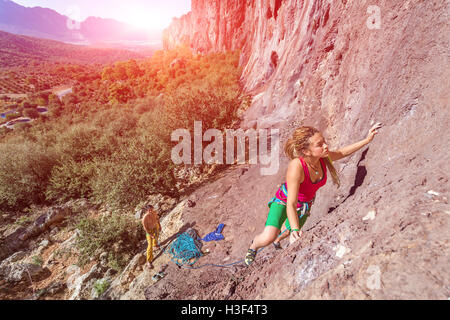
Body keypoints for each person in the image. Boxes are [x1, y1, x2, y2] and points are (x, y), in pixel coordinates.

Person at [244, 122, 382, 266]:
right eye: (319, 144)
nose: (325, 146)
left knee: (287, 232)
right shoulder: (296, 166)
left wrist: (367, 140)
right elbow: (291, 203)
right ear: (306, 151)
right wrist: (296, 229)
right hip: (284, 202)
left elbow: (342, 152)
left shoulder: (322, 158)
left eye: (324, 142)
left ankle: (279, 240)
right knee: (269, 237)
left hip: (304, 205)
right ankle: (253, 246)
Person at [141, 205, 161, 269]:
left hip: (155, 227)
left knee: (157, 236)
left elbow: (157, 219)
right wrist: (150, 235)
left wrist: (159, 225)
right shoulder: (144, 218)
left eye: (152, 209)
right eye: (149, 210)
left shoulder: (154, 212)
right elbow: (145, 229)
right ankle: (149, 261)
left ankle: (155, 245)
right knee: (149, 245)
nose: (151, 211)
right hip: (149, 232)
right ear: (147, 210)